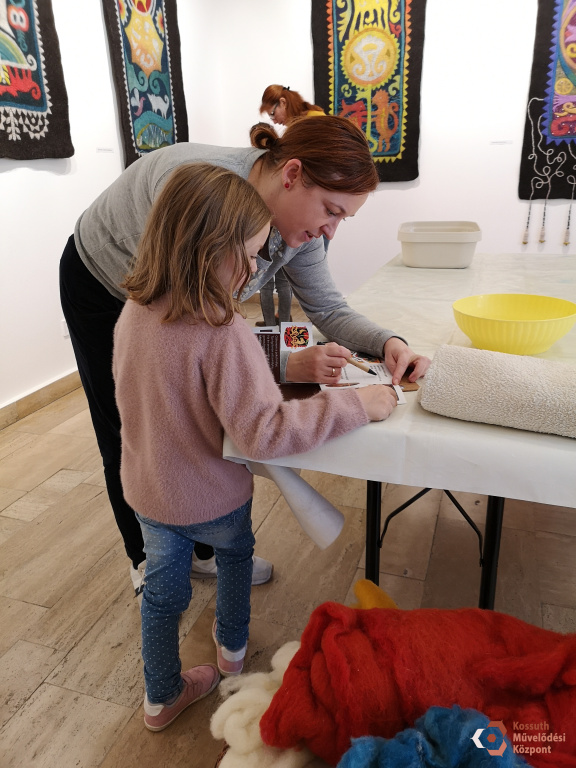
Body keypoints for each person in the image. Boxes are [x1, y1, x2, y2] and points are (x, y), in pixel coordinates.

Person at [59, 114, 430, 603]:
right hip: (103, 283)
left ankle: (203, 546)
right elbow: (190, 337)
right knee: (135, 429)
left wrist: (387, 343)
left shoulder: (301, 232)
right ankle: (149, 557)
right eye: (331, 211)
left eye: (343, 218)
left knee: (199, 427)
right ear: (292, 174)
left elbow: (326, 309)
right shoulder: (192, 189)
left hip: (184, 307)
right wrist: (283, 363)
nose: (331, 231)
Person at [112, 162, 398, 730]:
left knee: (162, 596)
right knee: (236, 560)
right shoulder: (222, 330)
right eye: (247, 256)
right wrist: (356, 406)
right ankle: (233, 653)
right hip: (214, 498)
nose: (252, 272)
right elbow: (265, 431)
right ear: (205, 248)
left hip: (149, 495)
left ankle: (160, 697)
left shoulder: (132, 311)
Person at [260, 84, 325, 126]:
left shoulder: (315, 119)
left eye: (272, 114)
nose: (274, 122)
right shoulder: (294, 126)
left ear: (283, 102)